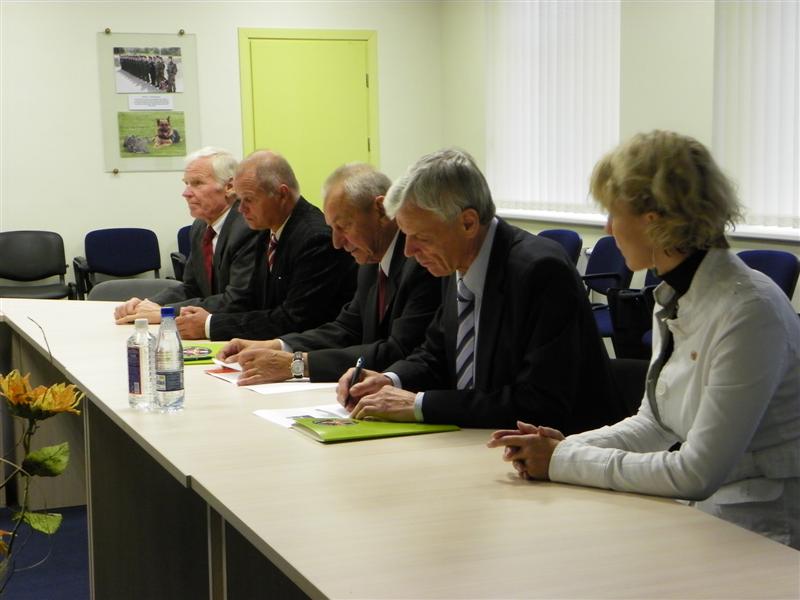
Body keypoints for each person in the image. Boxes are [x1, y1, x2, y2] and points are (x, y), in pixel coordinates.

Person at [487, 130, 800, 549]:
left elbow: (696, 472)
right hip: (707, 513)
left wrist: (562, 459)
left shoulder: (749, 312)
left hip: (761, 532)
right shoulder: (676, 294)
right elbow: (655, 423)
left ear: (654, 221)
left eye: (612, 214)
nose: (607, 228)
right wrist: (558, 447)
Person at [337, 148, 624, 432]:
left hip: (565, 444)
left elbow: (538, 402)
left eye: (421, 237)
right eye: (407, 235)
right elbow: (435, 354)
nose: (409, 251)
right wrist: (390, 380)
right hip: (483, 438)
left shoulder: (540, 271)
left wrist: (419, 405)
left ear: (468, 223)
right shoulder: (454, 261)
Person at [216, 163, 441, 385]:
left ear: (381, 211)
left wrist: (297, 364)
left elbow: (398, 351)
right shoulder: (370, 261)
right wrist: (276, 345)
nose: (336, 242)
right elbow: (346, 329)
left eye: (343, 226)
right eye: (333, 228)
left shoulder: (422, 262)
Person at [175, 150, 357, 341]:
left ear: (282, 195)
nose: (241, 209)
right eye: (240, 200)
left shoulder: (314, 238)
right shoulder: (266, 228)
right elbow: (252, 300)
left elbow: (295, 319)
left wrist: (210, 325)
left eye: (249, 200)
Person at [113, 147, 259, 325]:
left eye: (197, 183)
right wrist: (149, 304)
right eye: (186, 183)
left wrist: (167, 312)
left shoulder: (248, 227)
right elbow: (191, 288)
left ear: (230, 187)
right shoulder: (200, 226)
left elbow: (237, 300)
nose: (186, 193)